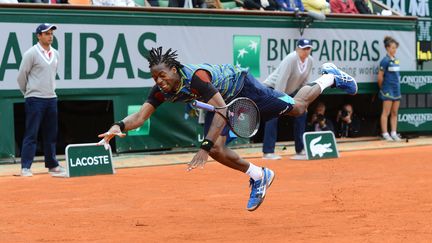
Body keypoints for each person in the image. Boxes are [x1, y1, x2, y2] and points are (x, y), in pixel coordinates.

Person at [98, 47, 357, 211]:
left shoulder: (197, 77)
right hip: (227, 102)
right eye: (156, 78)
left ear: (175, 69)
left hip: (245, 89)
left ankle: (329, 76)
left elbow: (222, 110)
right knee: (217, 150)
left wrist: (204, 146)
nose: (160, 82)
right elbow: (141, 116)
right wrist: (118, 125)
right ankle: (259, 175)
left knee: (299, 108)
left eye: (163, 76)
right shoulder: (162, 90)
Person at [17, 23, 66, 177]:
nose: (50, 36)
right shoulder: (30, 53)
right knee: (31, 133)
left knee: (51, 134)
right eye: (46, 33)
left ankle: (52, 165)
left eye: (51, 33)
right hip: (34, 99)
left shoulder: (56, 54)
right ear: (39, 36)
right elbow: (21, 76)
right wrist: (28, 92)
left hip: (51, 98)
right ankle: (25, 167)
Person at [262, 38, 313, 160]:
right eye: (303, 48)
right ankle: (268, 152)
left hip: (288, 91)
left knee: (301, 113)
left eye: (308, 48)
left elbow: (305, 83)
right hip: (272, 89)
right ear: (297, 49)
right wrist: (280, 102)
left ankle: (300, 150)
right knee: (273, 116)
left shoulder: (310, 60)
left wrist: (304, 102)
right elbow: (281, 80)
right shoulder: (291, 59)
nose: (306, 51)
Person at [377, 36, 402, 142]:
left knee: (395, 113)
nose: (394, 50)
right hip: (387, 89)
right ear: (387, 48)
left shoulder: (396, 60)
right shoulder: (384, 61)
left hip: (396, 89)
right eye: (392, 48)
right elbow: (380, 77)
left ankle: (393, 133)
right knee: (385, 112)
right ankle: (385, 133)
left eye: (395, 48)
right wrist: (382, 88)